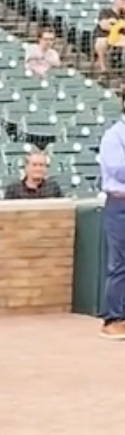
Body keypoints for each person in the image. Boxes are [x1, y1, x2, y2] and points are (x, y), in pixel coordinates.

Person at [97, 95, 125, 339]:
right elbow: (118, 168)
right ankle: (113, 318)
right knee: (120, 263)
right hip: (121, 203)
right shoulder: (115, 135)